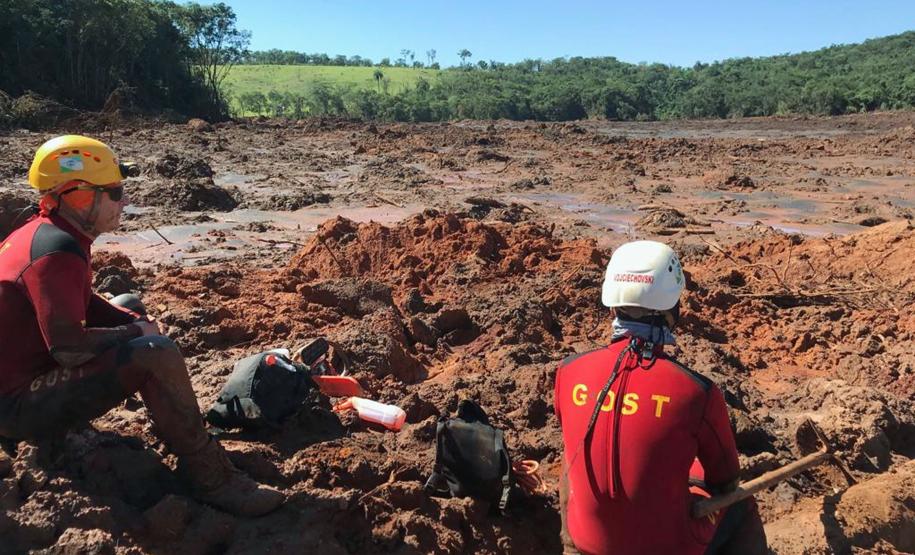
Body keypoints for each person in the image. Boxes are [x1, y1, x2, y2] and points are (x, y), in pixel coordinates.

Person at [0, 135, 284, 517]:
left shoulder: (48, 232)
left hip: (22, 377)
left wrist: (135, 322)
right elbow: (69, 350)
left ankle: (173, 423)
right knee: (155, 354)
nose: (125, 201)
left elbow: (80, 306)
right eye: (115, 192)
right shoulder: (58, 251)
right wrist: (138, 336)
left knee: (130, 308)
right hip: (14, 408)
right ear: (78, 195)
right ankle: (211, 477)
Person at [554, 240, 766, 555]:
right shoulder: (696, 393)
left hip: (588, 540)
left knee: (570, 464)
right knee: (740, 504)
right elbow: (726, 481)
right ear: (673, 309)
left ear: (611, 306)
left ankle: (571, 546)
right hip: (668, 546)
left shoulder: (568, 372)